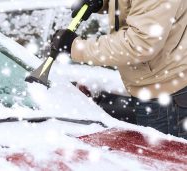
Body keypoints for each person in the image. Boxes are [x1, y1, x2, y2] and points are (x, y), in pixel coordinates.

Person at [51, 0, 187, 139]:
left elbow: (139, 45)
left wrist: (77, 47)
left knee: (161, 158)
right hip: (154, 88)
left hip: (167, 96)